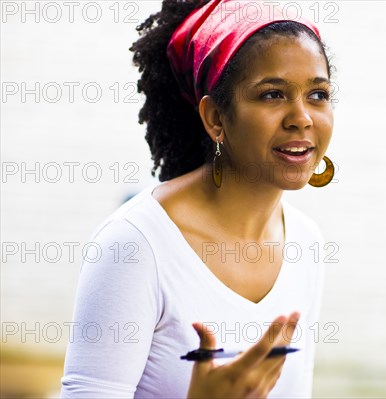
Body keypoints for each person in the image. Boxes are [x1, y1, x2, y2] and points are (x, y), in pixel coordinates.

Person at [59, 0, 335, 397]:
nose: (302, 117)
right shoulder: (136, 245)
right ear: (215, 119)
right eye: (273, 94)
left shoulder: (306, 243)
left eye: (318, 94)